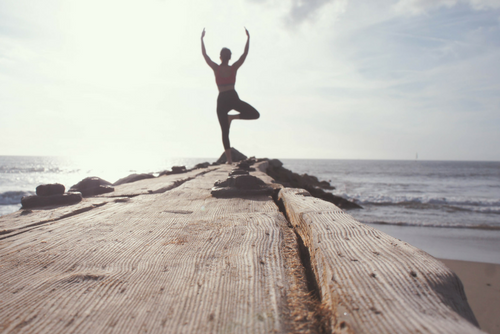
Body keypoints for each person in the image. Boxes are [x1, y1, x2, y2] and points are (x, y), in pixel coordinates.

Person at [201, 27, 260, 164]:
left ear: (220, 57)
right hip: (232, 97)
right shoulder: (233, 68)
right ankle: (233, 117)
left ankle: (229, 160)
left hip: (222, 99)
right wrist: (248, 39)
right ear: (230, 57)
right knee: (255, 114)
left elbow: (205, 55)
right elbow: (245, 54)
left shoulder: (217, 68)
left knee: (224, 131)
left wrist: (201, 39)